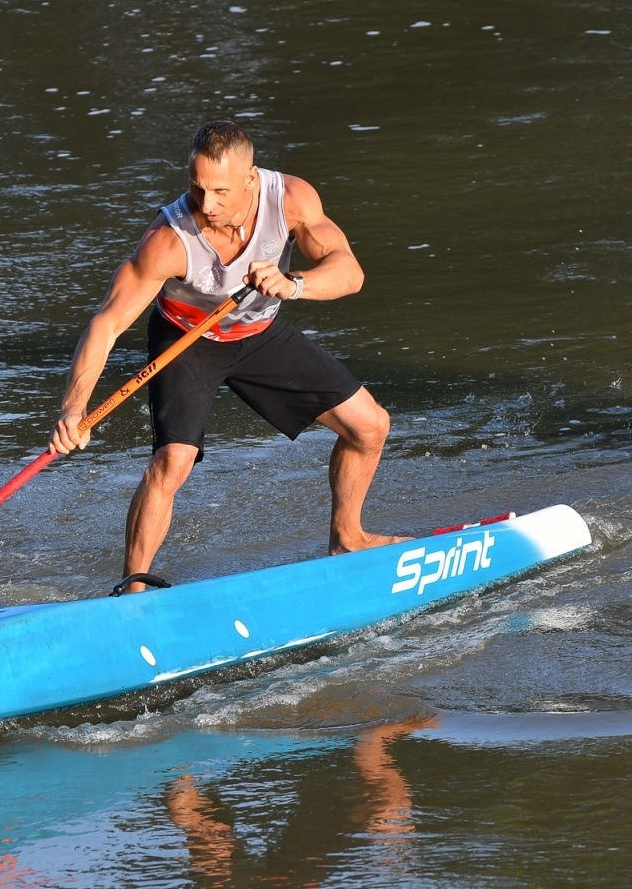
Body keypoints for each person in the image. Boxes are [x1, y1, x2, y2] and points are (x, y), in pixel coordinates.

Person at [47, 120, 405, 589]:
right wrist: (74, 409)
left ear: (250, 179)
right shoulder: (167, 240)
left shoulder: (290, 200)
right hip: (185, 340)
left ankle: (348, 537)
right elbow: (107, 323)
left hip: (259, 333)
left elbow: (349, 272)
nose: (207, 205)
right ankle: (132, 588)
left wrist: (294, 284)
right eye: (197, 188)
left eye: (220, 191)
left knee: (370, 426)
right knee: (173, 460)